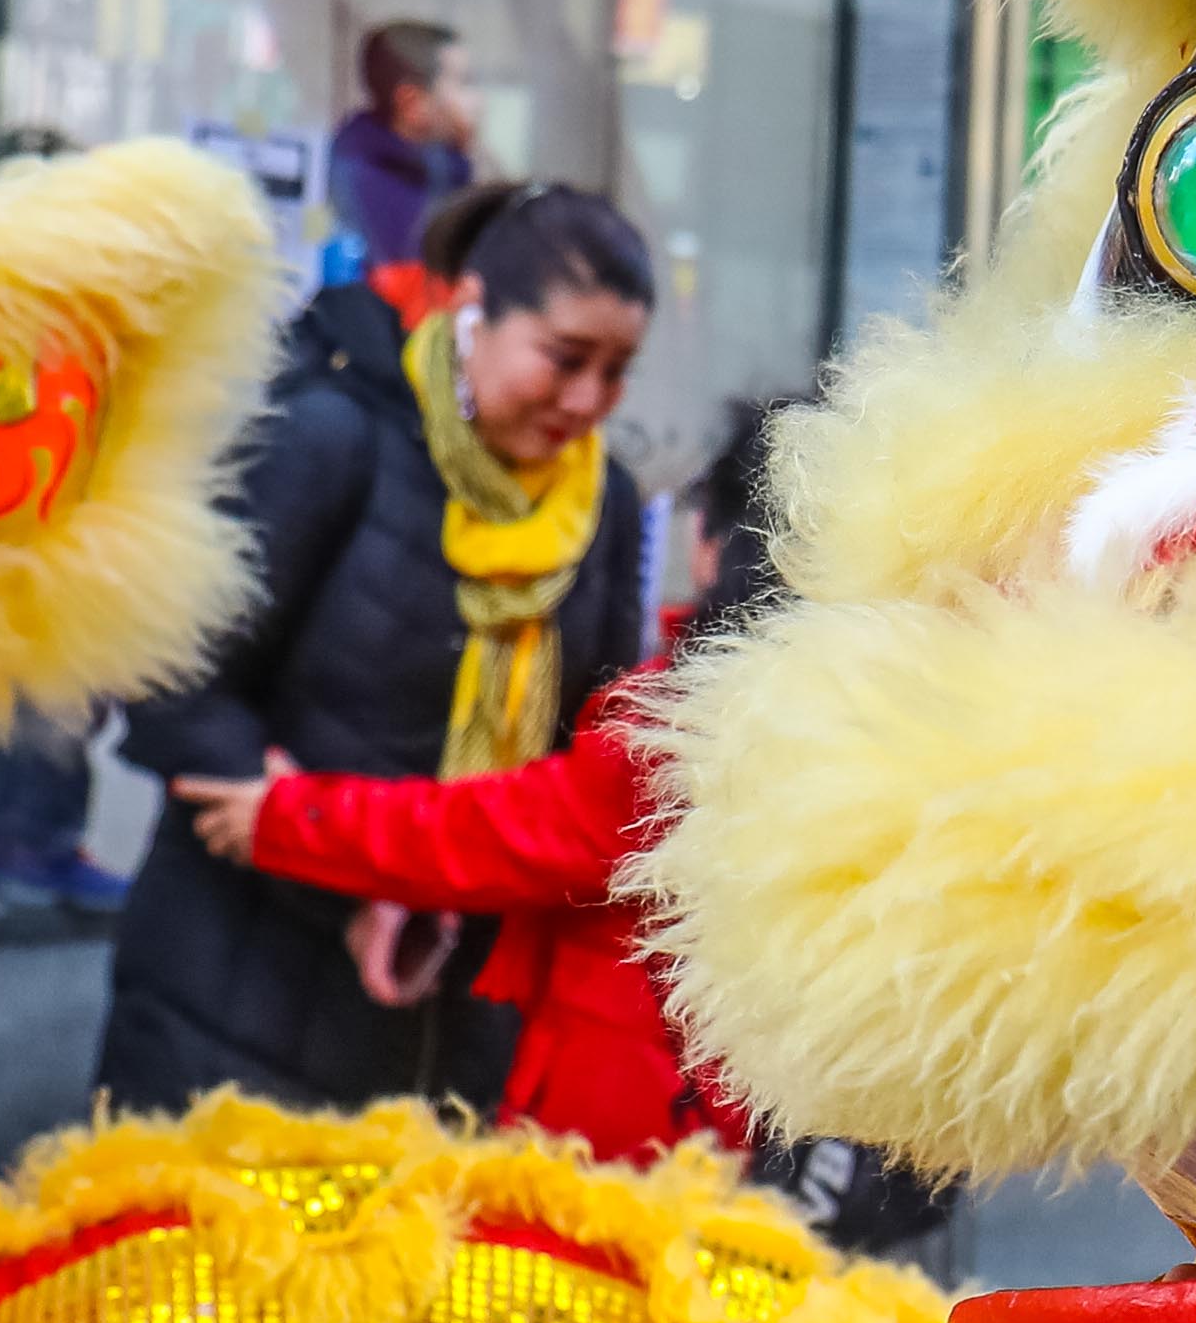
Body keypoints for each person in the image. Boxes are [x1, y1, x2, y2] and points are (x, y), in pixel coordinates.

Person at [100, 181, 656, 1115]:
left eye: (616, 370)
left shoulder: (608, 504)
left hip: (467, 1004)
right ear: (474, 312)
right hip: (245, 977)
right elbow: (171, 679)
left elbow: (574, 759)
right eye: (565, 359)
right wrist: (341, 866)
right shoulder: (330, 435)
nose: (587, 399)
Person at [165, 408, 774, 1167]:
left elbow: (493, 831)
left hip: (631, 1135)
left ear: (706, 546)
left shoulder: (685, 731)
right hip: (724, 1121)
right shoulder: (865, 726)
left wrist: (291, 816)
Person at [324, 18, 478, 279]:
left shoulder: (441, 171)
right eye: (463, 83)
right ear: (411, 102)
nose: (477, 101)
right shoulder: (353, 180)